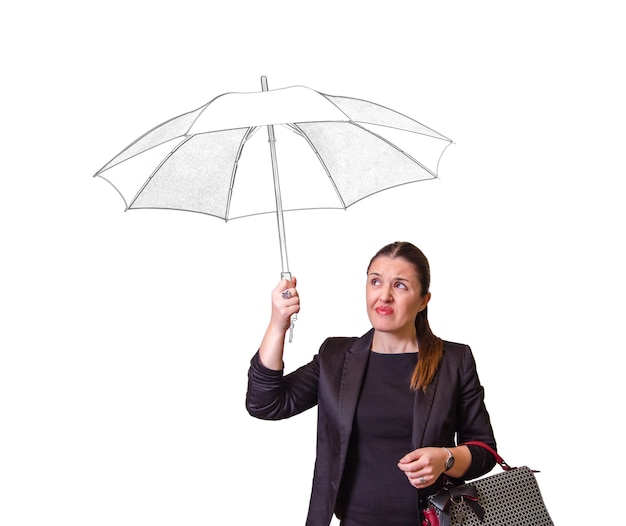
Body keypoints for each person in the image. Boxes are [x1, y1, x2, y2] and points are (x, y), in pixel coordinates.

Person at [246, 242, 497, 526]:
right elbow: (265, 403)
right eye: (375, 281)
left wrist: (446, 458)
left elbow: (484, 450)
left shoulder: (454, 360)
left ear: (423, 300)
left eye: (400, 286)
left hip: (431, 521)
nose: (384, 296)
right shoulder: (336, 357)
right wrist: (278, 324)